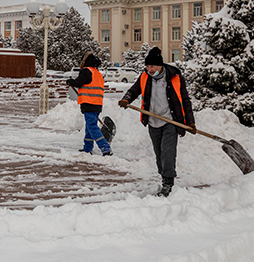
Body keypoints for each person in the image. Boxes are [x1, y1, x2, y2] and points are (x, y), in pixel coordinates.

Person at [118, 46, 196, 197]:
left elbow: (185, 100)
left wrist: (190, 122)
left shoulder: (174, 77)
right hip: (153, 121)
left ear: (160, 65)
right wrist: (126, 99)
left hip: (170, 121)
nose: (150, 69)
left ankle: (168, 183)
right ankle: (164, 177)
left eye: (152, 66)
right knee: (159, 153)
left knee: (168, 153)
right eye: (147, 66)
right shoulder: (145, 77)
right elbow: (134, 90)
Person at [66, 52, 112, 156]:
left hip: (89, 102)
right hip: (97, 104)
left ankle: (105, 148)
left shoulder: (86, 71)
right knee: (89, 126)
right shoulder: (98, 73)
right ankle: (87, 148)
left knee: (92, 127)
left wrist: (70, 82)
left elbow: (79, 82)